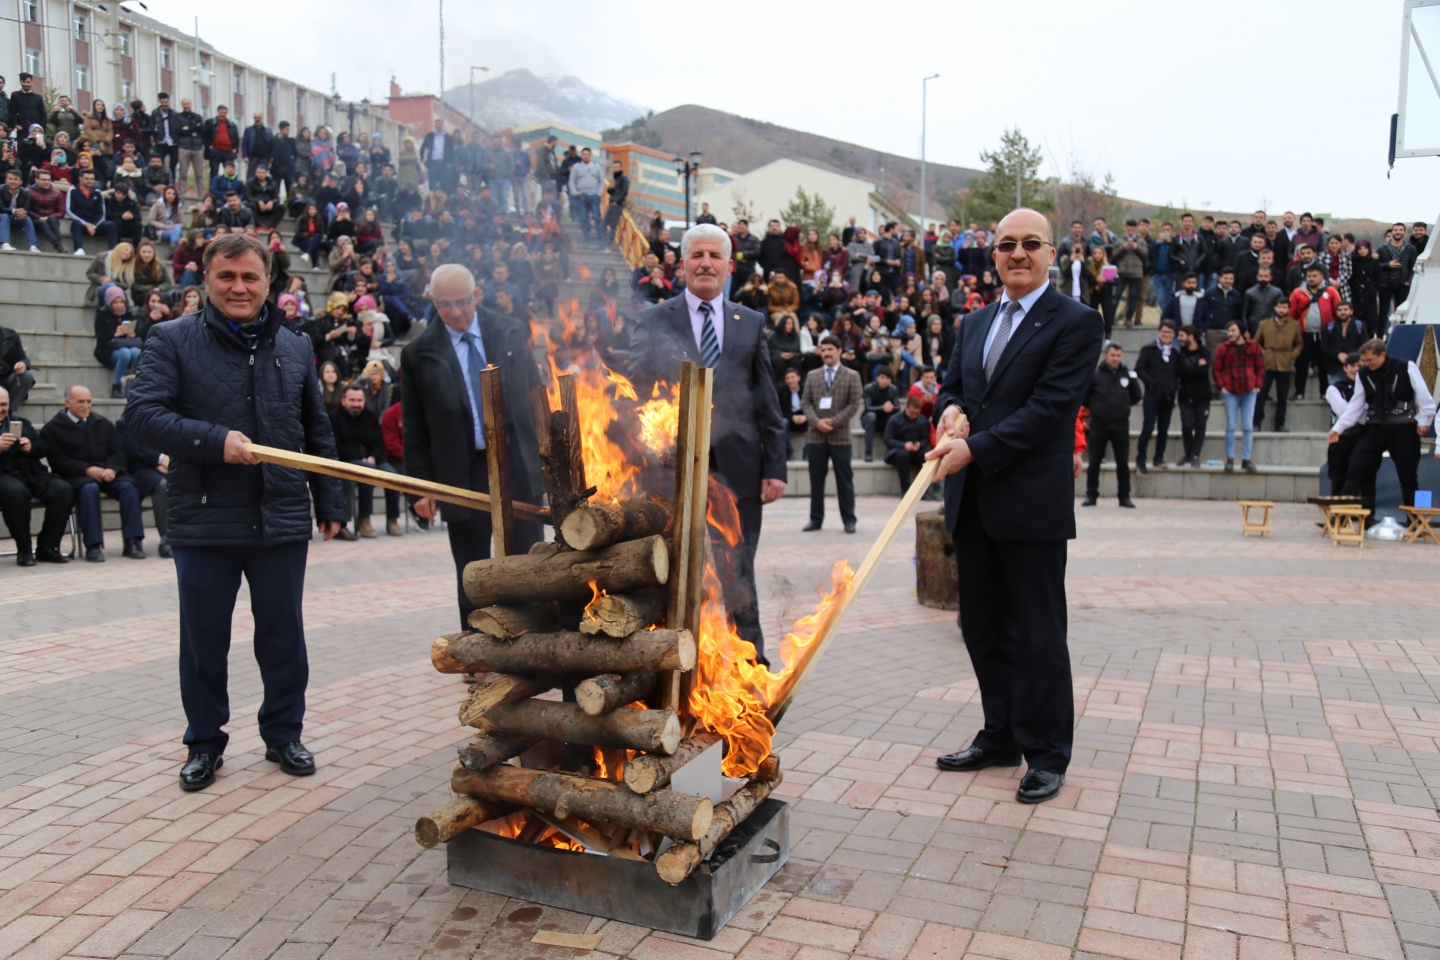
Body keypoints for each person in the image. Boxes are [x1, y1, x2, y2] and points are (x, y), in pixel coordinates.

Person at [125, 232, 347, 792]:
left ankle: (283, 732)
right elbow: (144, 417)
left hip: (281, 515)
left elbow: (314, 430)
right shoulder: (170, 339)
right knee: (204, 640)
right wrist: (214, 439)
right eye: (227, 277)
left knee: (282, 634)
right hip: (204, 519)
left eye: (250, 277)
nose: (239, 287)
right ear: (206, 281)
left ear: (269, 282)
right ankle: (204, 743)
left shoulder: (295, 345)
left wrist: (330, 501)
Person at [925, 208, 1104, 805]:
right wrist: (948, 412)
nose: (1018, 254)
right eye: (1006, 245)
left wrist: (973, 448)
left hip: (1030, 506)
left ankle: (1047, 753)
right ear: (993, 255)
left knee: (1038, 634)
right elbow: (952, 386)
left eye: (1031, 244)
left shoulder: (1076, 322)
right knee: (980, 627)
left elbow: (1050, 410)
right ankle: (1000, 734)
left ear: (1052, 253)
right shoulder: (975, 321)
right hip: (973, 504)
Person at [628, 224, 787, 664]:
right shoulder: (653, 319)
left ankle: (749, 662)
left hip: (739, 472)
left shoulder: (750, 323)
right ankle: (676, 663)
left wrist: (775, 467)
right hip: (673, 473)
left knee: (738, 570)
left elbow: (766, 402)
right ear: (681, 266)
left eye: (715, 256)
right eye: (696, 255)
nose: (705, 263)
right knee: (676, 572)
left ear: (730, 266)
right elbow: (638, 394)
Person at [401, 264, 547, 631]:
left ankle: (532, 639)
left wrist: (548, 459)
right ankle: (478, 647)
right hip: (462, 471)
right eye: (445, 305)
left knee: (528, 560)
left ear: (477, 295)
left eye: (462, 302)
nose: (455, 312)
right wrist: (421, 487)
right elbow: (415, 426)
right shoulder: (418, 353)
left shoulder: (511, 331)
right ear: (432, 301)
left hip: (517, 466)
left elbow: (536, 398)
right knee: (472, 566)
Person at [1329, 339, 1436, 518]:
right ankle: (1340, 517)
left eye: (1370, 360)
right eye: (1365, 361)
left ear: (1382, 355)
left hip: (1402, 428)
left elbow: (1424, 396)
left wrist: (1424, 421)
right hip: (1375, 427)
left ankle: (1416, 523)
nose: (1367, 364)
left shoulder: (1405, 367)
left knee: (1408, 476)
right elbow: (1355, 405)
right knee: (1356, 468)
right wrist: (1338, 429)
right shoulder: (1364, 374)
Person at [40, 385, 147, 561]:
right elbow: (58, 461)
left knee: (128, 488)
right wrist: (87, 470)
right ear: (67, 402)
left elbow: (117, 452)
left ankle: (133, 541)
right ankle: (93, 546)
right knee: (89, 490)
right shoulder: (52, 428)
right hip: (77, 477)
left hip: (107, 473)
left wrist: (112, 469)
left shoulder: (103, 423)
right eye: (80, 401)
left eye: (89, 401)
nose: (86, 406)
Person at [0, 386, 75, 565]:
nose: (1, 409)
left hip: (31, 473)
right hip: (3, 475)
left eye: (3, 404)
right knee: (17, 493)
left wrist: (30, 446)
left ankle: (47, 547)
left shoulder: (20, 423)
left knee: (64, 490)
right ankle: (24, 550)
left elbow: (43, 448)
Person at [802, 336, 862, 533]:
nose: (826, 353)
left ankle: (849, 519)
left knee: (844, 480)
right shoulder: (812, 375)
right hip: (815, 435)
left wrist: (834, 422)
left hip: (840, 436)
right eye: (823, 349)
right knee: (815, 480)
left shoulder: (852, 375)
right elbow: (806, 403)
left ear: (839, 350)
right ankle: (815, 519)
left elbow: (854, 404)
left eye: (830, 349)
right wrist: (817, 421)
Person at [329, 384, 400, 539]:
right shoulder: (334, 417)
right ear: (343, 401)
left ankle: (393, 519)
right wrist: (361, 458)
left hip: (373, 460)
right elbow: (336, 445)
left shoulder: (370, 416)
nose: (356, 404)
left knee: (393, 476)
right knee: (367, 472)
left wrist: (373, 456)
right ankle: (364, 519)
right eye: (352, 400)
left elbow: (380, 443)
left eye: (359, 400)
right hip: (348, 461)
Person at [1081, 343, 1142, 507]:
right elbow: (1085, 397)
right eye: (1112, 355)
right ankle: (1091, 495)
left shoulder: (1127, 374)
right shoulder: (1095, 375)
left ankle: (1124, 497)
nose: (1115, 358)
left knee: (1122, 463)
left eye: (1118, 356)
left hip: (1120, 425)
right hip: (1099, 424)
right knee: (1094, 462)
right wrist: (1096, 409)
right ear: (1105, 355)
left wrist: (1122, 407)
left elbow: (1136, 395)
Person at [1212, 321, 1265, 473]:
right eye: (1228, 331)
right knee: (1230, 426)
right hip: (1230, 391)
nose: (1230, 334)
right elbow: (1216, 369)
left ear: (1241, 332)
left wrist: (1258, 385)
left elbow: (1260, 367)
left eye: (1233, 331)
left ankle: (1246, 459)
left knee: (1248, 426)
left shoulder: (1253, 346)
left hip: (1249, 390)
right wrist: (1221, 387)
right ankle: (1229, 459)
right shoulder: (1223, 348)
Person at [1133, 322, 1179, 475]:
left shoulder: (1174, 353)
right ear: (1159, 332)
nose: (1166, 335)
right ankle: (1141, 459)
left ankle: (1158, 457)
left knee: (1163, 429)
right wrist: (1151, 383)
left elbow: (1177, 373)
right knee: (1148, 427)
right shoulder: (1149, 349)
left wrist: (1174, 387)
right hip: (1152, 395)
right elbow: (1139, 369)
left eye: (1170, 333)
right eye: (1164, 332)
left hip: (1168, 396)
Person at [1289, 265, 1340, 401]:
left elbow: (1338, 312)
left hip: (1324, 334)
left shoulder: (1331, 292)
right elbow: (1291, 314)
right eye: (1309, 276)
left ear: (1322, 277)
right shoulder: (1298, 293)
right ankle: (1299, 392)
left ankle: (1324, 392)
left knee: (1323, 365)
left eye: (1314, 276)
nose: (1311, 279)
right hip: (1305, 334)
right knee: (1302, 364)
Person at [1325, 356, 1370, 505]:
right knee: (1338, 475)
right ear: (1345, 368)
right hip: (1341, 437)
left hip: (1361, 436)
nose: (1356, 369)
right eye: (1352, 365)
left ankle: (1358, 512)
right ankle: (1336, 511)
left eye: (1359, 365)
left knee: (1360, 474)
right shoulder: (1335, 388)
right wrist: (1358, 411)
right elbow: (1344, 412)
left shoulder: (1368, 387)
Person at [1254, 298, 1301, 433]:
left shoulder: (1294, 325)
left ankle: (1279, 424)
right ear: (1275, 308)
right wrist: (1262, 353)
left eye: (1285, 307)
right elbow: (1256, 342)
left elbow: (1299, 343)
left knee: (1282, 396)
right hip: (1267, 362)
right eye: (1279, 307)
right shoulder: (1264, 324)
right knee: (1261, 395)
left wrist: (1292, 355)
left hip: (1284, 362)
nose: (1282, 310)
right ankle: (1256, 422)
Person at [1174, 325, 1212, 468]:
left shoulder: (1204, 352)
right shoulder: (1180, 354)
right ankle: (1187, 453)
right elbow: (1179, 372)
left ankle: (1195, 454)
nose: (1179, 339)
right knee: (1187, 425)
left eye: (1182, 335)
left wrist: (1189, 369)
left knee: (1200, 426)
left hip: (1202, 396)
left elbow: (1202, 371)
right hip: (1185, 395)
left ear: (1191, 336)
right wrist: (1195, 367)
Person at [883, 395, 933, 495]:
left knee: (926, 455)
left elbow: (925, 438)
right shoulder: (895, 419)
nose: (914, 415)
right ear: (906, 407)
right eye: (912, 413)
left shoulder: (922, 420)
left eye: (916, 413)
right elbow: (888, 439)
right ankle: (905, 490)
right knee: (903, 455)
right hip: (897, 451)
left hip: (916, 451)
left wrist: (920, 444)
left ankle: (924, 491)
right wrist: (904, 445)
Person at [861, 367, 900, 462]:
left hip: (886, 420)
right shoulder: (868, 388)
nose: (884, 381)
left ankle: (891, 452)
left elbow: (897, 407)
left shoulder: (893, 389)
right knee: (871, 416)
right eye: (882, 377)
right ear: (877, 378)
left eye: (887, 378)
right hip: (869, 420)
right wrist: (883, 408)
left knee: (893, 418)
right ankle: (868, 452)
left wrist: (890, 408)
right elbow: (868, 407)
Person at [568, 147, 603, 242]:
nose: (586, 156)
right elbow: (572, 181)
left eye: (588, 154)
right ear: (582, 156)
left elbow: (601, 182)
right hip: (582, 196)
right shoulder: (576, 167)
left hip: (594, 195)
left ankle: (600, 236)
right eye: (584, 154)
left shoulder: (597, 167)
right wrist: (574, 192)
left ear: (590, 156)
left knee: (596, 216)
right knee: (584, 217)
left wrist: (599, 193)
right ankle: (586, 237)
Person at [777, 367, 807, 461]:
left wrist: (806, 416)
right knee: (783, 422)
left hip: (805, 418)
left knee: (815, 421)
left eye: (792, 377)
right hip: (789, 419)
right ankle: (788, 453)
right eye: (787, 378)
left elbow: (813, 406)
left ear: (798, 377)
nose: (790, 380)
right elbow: (779, 409)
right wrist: (792, 417)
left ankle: (808, 453)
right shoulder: (781, 391)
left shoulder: (806, 389)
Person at [0, 323, 33, 410]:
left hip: (5, 378)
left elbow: (23, 359)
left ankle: (8, 411)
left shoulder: (11, 335)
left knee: (26, 376)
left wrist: (22, 364)